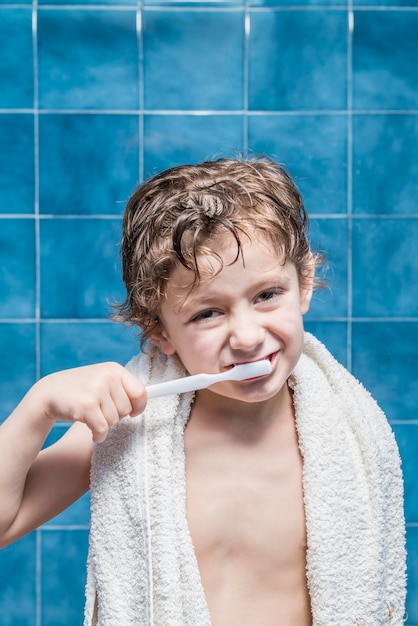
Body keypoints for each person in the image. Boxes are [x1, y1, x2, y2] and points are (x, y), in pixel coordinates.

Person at [0, 157, 406, 625]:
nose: (248, 336)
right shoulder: (133, 425)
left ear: (305, 284)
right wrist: (39, 406)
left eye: (267, 294)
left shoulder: (346, 436)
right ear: (159, 331)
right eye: (207, 313)